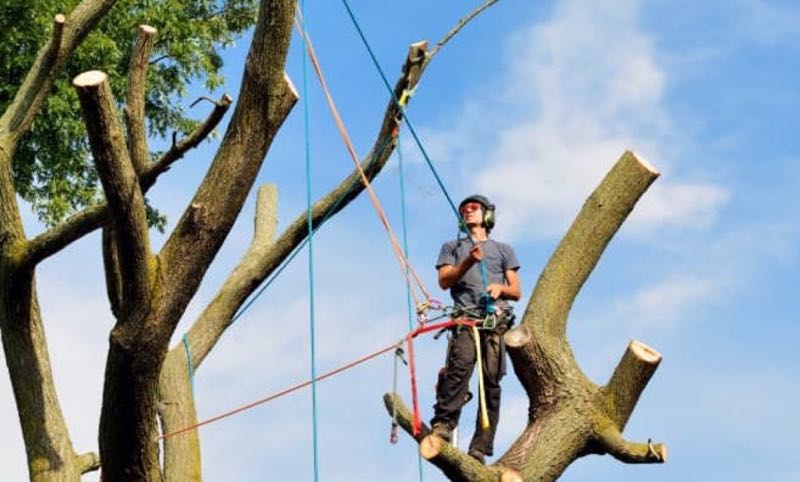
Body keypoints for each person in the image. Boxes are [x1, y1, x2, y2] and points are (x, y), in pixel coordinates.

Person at [430, 194, 521, 465]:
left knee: (491, 381)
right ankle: (443, 425)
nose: (468, 212)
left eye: (474, 208)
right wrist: (468, 262)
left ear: (487, 215)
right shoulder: (452, 247)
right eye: (464, 210)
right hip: (466, 319)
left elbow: (516, 290)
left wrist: (500, 288)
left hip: (494, 320)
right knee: (460, 369)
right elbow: (444, 281)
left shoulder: (503, 249)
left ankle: (480, 446)